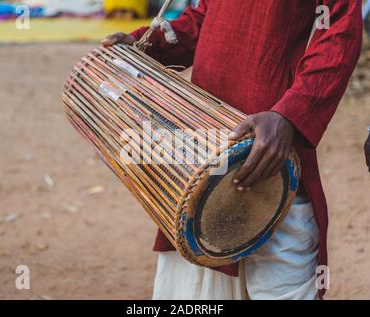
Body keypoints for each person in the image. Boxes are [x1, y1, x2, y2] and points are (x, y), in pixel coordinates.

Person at [102, 1, 363, 300]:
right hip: (203, 150)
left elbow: (337, 30)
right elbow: (205, 17)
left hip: (271, 158)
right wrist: (147, 44)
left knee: (281, 278)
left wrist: (290, 115)